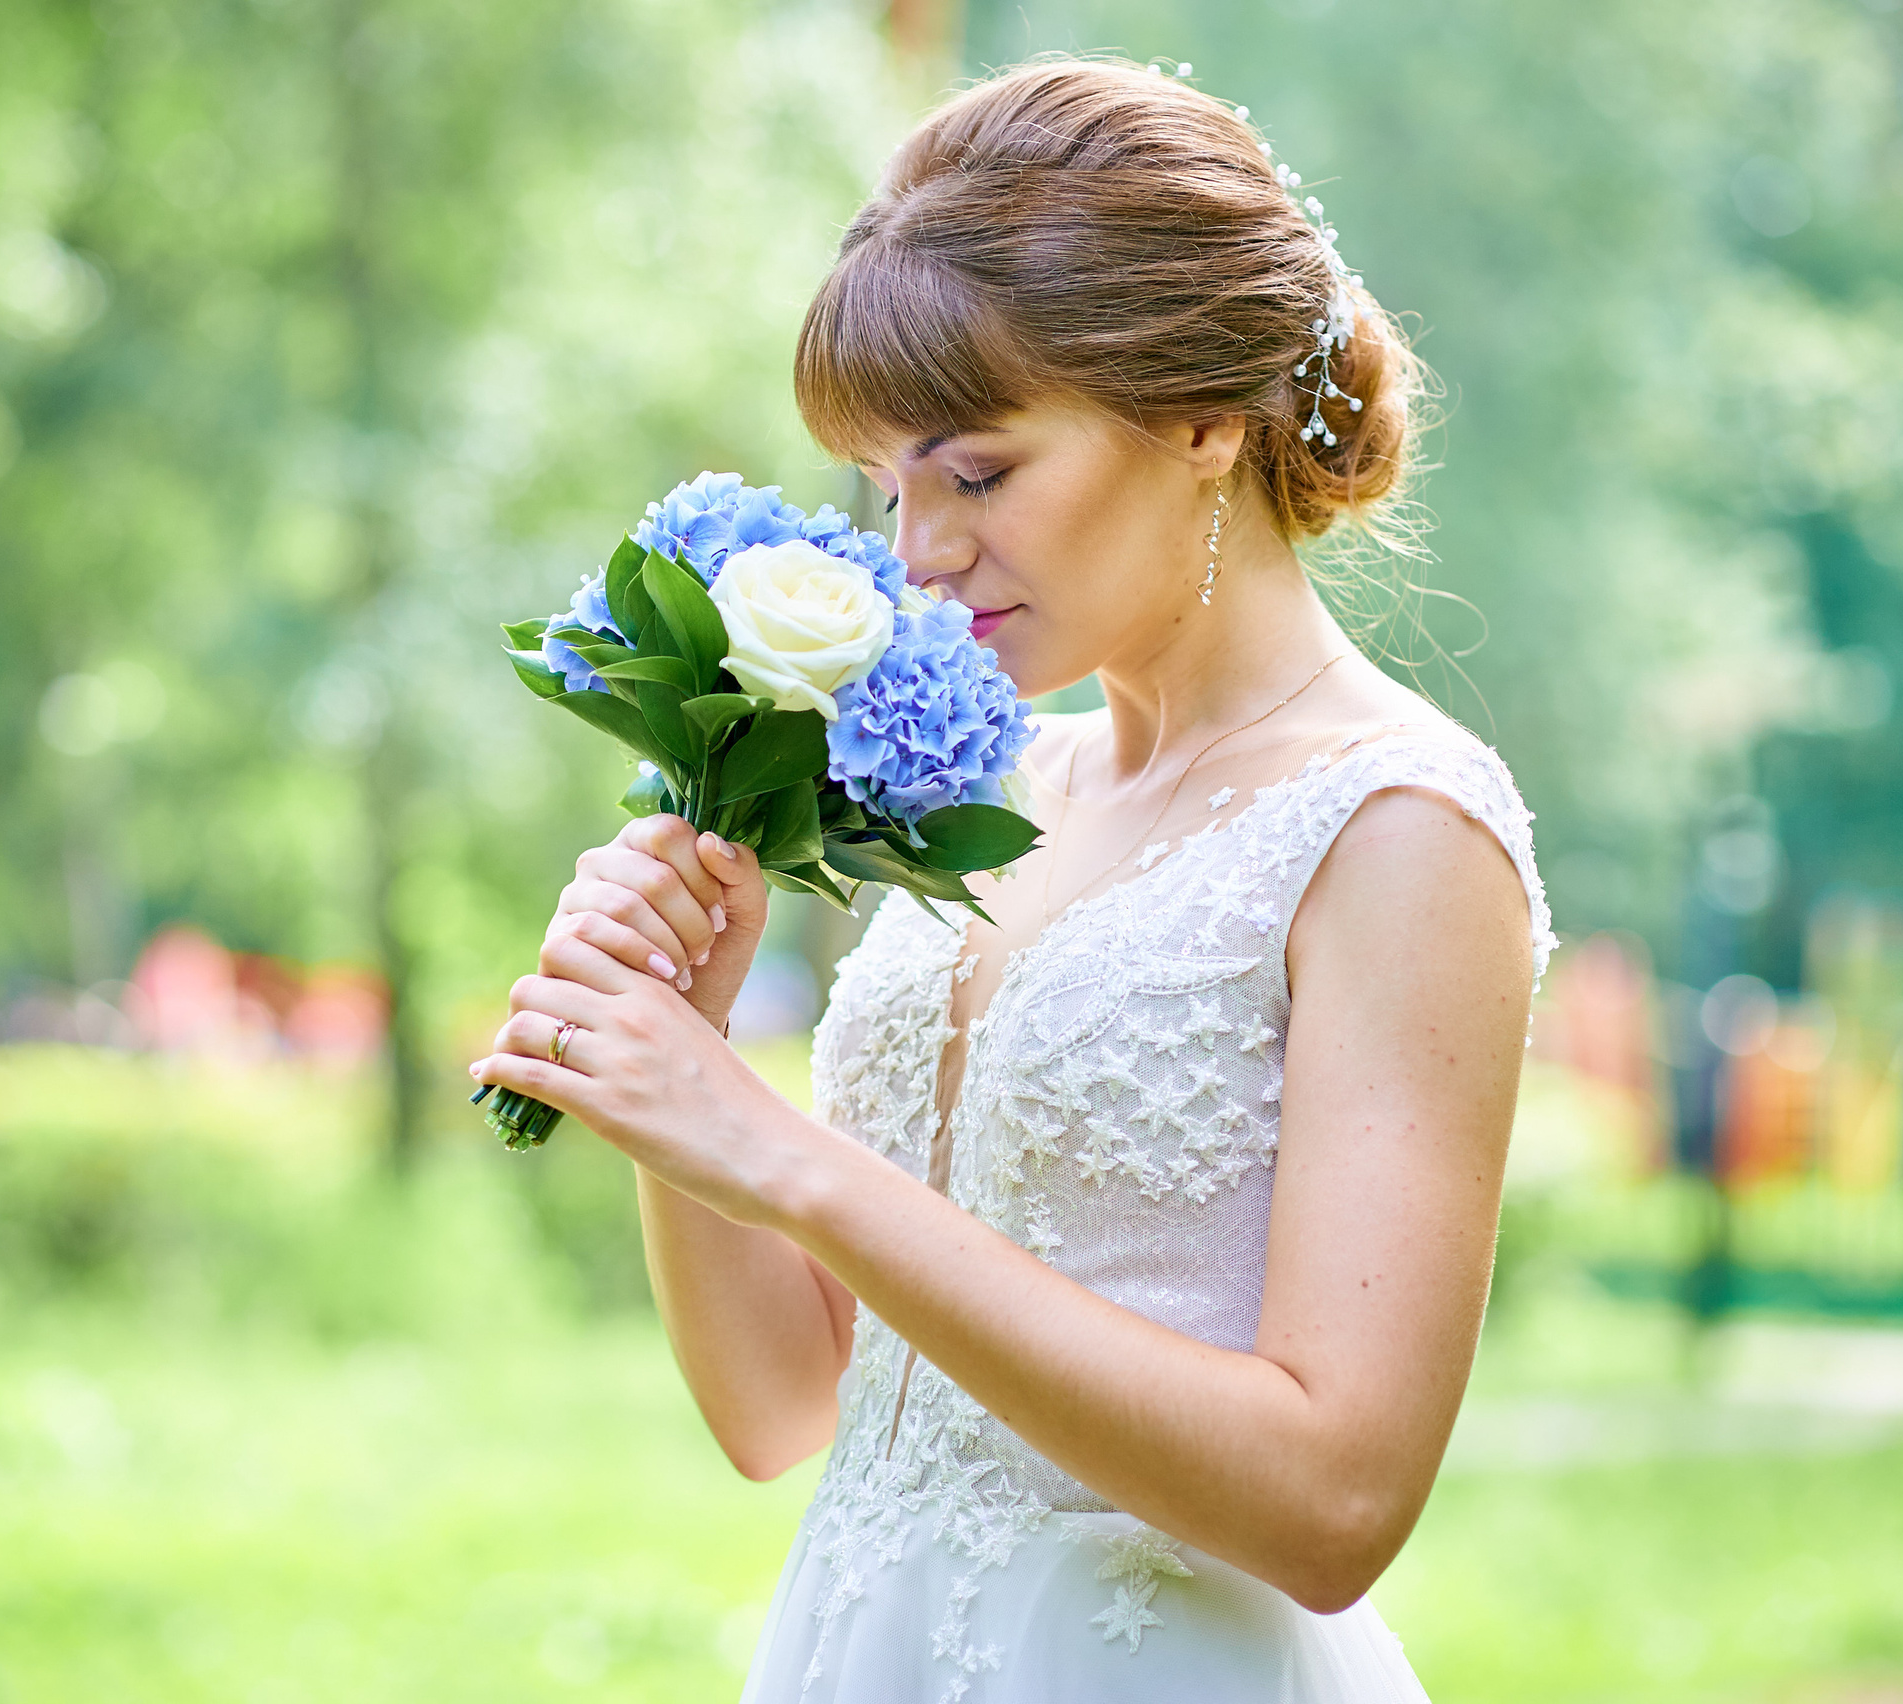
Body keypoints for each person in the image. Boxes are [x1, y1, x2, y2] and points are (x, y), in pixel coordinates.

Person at [468, 55, 1556, 1703]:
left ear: (1201, 418)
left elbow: (1336, 1505)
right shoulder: (991, 795)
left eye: (976, 475)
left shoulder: (1396, 826)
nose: (917, 551)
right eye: (886, 485)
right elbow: (784, 1410)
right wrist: (681, 1051)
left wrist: (788, 1161)